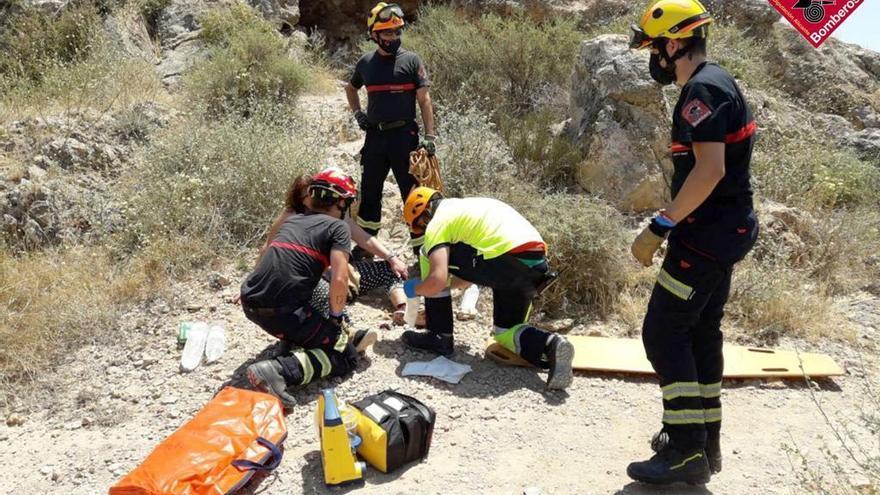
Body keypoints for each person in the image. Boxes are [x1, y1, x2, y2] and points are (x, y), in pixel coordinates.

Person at [626, 0, 759, 484]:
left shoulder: (702, 89)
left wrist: (659, 227)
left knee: (663, 332)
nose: (652, 59)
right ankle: (705, 444)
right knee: (700, 332)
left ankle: (684, 449)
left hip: (706, 236)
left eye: (654, 48)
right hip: (724, 231)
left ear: (675, 43)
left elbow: (710, 170)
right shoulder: (716, 82)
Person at [240, 168, 402, 407]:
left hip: (251, 302)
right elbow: (338, 279)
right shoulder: (337, 227)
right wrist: (336, 317)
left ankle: (297, 341)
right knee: (345, 355)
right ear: (340, 202)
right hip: (284, 311)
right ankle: (278, 370)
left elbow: (268, 254)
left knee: (310, 312)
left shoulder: (293, 220)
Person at [397, 187, 575, 390]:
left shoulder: (438, 222)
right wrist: (436, 285)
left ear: (424, 213)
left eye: (419, 226)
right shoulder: (469, 208)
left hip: (502, 261)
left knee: (425, 252)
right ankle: (551, 344)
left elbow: (438, 280)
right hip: (534, 267)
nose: (422, 230)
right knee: (505, 332)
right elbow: (464, 280)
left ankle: (439, 337)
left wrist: (417, 288)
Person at [344, 2, 436, 259]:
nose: (393, 38)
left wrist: (429, 137)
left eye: (397, 32)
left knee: (414, 194)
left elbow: (425, 100)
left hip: (404, 137)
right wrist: (358, 114)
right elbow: (350, 89)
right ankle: (366, 247)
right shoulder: (366, 63)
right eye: (387, 33)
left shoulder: (411, 60)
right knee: (370, 190)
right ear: (374, 35)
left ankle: (422, 251)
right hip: (375, 137)